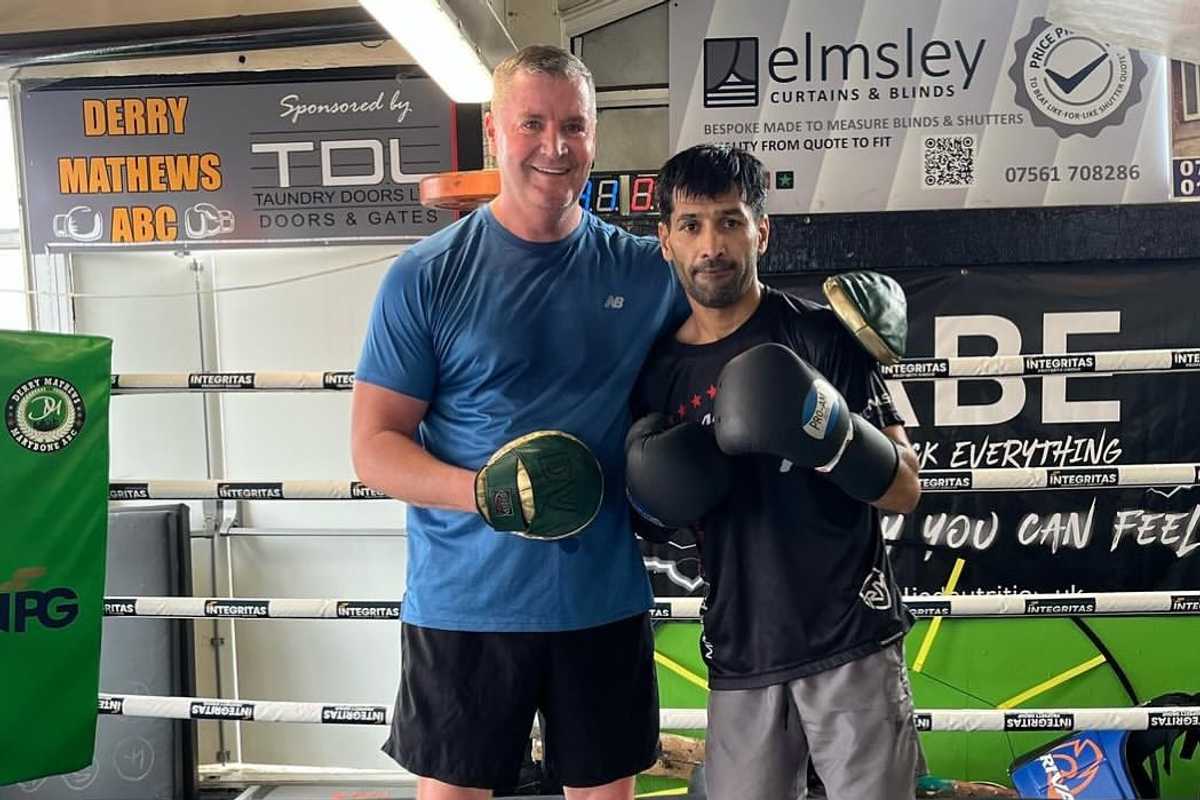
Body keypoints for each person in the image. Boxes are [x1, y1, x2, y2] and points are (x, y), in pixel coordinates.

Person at [350, 45, 687, 800]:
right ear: (494, 133)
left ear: (595, 136)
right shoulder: (426, 276)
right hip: (466, 600)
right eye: (532, 122)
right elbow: (374, 448)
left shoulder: (645, 272)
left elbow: (733, 333)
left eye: (575, 125)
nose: (555, 145)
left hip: (598, 596)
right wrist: (485, 492)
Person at [625, 144, 924, 800]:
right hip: (740, 652)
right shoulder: (657, 378)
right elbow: (651, 519)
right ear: (666, 241)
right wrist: (659, 491)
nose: (713, 245)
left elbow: (905, 485)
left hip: (852, 640)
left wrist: (833, 432)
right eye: (692, 225)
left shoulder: (821, 337)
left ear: (762, 231)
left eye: (731, 222)